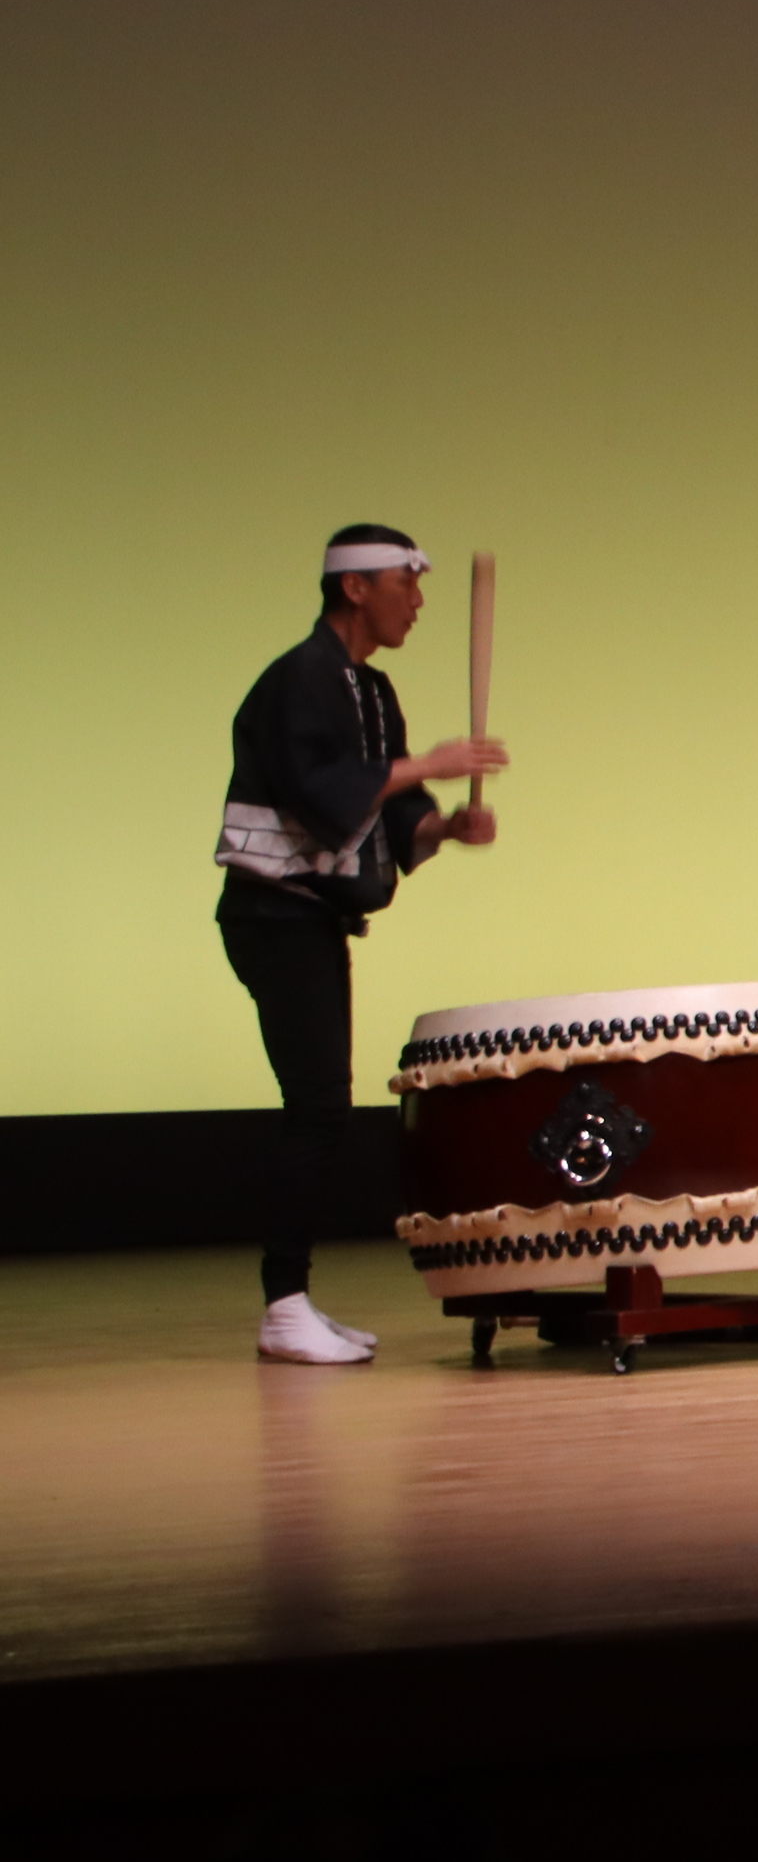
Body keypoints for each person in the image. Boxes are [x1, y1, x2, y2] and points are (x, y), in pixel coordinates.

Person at [214, 529, 508, 1365]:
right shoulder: (295, 681)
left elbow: (385, 816)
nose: (417, 601)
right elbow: (321, 795)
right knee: (317, 1108)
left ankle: (293, 1302)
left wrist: (447, 824)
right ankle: (283, 1303)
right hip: (271, 916)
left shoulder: (372, 693)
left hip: (310, 919)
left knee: (322, 1108)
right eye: (404, 584)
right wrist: (429, 764)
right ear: (354, 589)